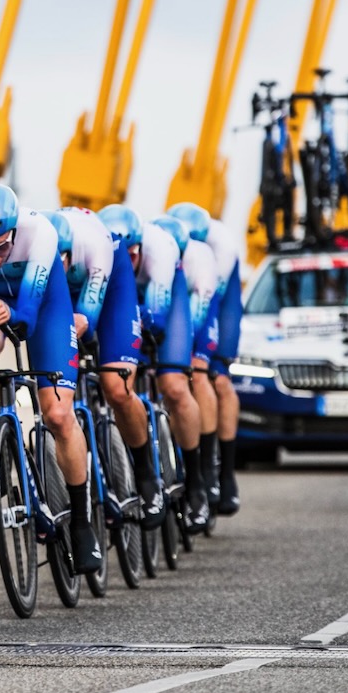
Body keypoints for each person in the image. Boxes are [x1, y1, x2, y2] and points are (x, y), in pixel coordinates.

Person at [0, 182, 103, 574]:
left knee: (59, 416)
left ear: (14, 231)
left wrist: (8, 313)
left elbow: (27, 312)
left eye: (1, 247)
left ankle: (81, 522)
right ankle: (2, 444)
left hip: (44, 305)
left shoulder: (39, 232)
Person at [45, 206, 164, 532]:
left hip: (109, 286)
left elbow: (86, 317)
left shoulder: (94, 244)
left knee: (117, 388)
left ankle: (145, 474)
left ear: (68, 255)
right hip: (60, 292)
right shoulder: (36, 252)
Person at [99, 205, 210, 533]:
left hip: (164, 301)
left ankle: (197, 484)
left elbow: (157, 317)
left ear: (141, 249)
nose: (129, 262)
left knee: (174, 385)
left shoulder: (160, 249)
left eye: (133, 255)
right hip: (120, 298)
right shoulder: (104, 256)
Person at [171, 205, 244, 516]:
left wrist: (196, 350)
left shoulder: (221, 247)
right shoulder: (168, 239)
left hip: (216, 299)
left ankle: (220, 472)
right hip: (180, 290)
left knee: (208, 375)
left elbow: (207, 302)